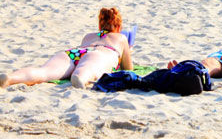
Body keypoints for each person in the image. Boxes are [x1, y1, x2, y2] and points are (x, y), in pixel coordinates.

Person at [0, 8, 133, 89]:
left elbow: (84, 55)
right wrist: (128, 50)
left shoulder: (89, 36)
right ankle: (80, 77)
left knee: (44, 72)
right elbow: (128, 68)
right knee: (86, 68)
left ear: (100, 24)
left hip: (76, 52)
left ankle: (11, 78)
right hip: (101, 53)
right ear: (119, 27)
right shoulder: (121, 38)